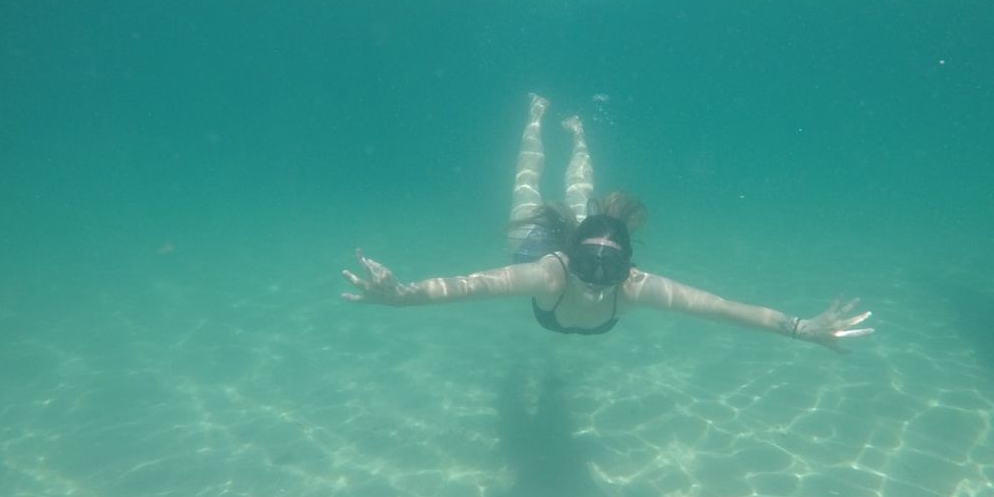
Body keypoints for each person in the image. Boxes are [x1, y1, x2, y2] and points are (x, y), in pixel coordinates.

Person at [342, 94, 873, 351]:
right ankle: (535, 119)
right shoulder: (549, 274)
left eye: (609, 264)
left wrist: (803, 329)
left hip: (565, 256)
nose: (597, 277)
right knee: (526, 187)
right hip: (536, 249)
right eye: (589, 261)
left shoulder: (634, 288)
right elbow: (464, 289)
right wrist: (401, 295)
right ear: (572, 256)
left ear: (628, 266)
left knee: (580, 196)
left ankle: (575, 135)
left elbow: (723, 310)